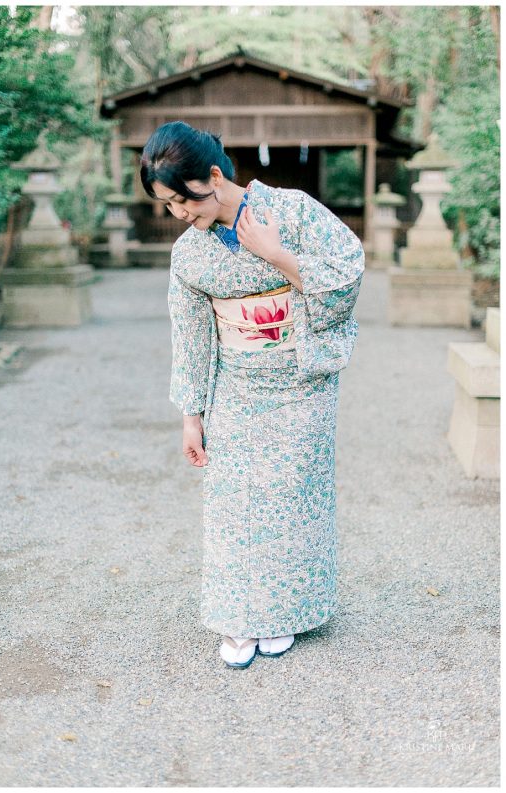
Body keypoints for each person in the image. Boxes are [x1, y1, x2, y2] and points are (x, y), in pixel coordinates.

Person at [140, 121, 365, 669]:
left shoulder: (291, 213)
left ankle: (284, 613)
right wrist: (191, 415)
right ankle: (239, 616)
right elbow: (191, 333)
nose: (179, 214)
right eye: (168, 205)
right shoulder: (190, 256)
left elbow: (349, 271)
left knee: (292, 500)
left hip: (299, 382)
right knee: (234, 506)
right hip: (235, 387)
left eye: (181, 199)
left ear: (213, 176)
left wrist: (277, 254)